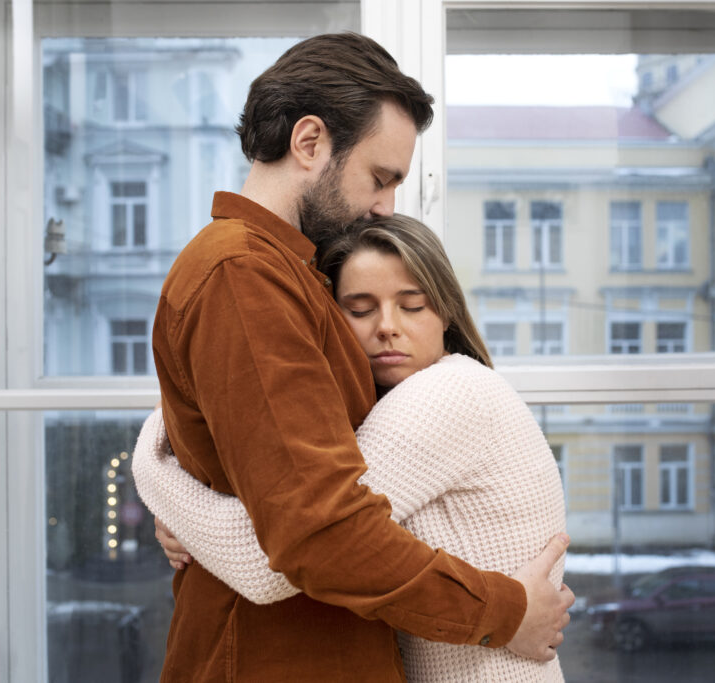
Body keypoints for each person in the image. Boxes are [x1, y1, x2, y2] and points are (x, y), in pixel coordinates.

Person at [142, 31, 573, 682]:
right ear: (310, 142)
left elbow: (276, 464)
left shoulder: (295, 276)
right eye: (380, 177)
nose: (385, 206)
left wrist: (178, 494)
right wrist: (505, 609)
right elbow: (318, 530)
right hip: (273, 660)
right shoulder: (243, 274)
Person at [134, 215, 568, 682]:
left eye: (413, 305)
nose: (387, 327)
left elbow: (268, 559)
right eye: (359, 310)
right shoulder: (392, 405)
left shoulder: (448, 395)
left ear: (446, 312)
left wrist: (157, 472)